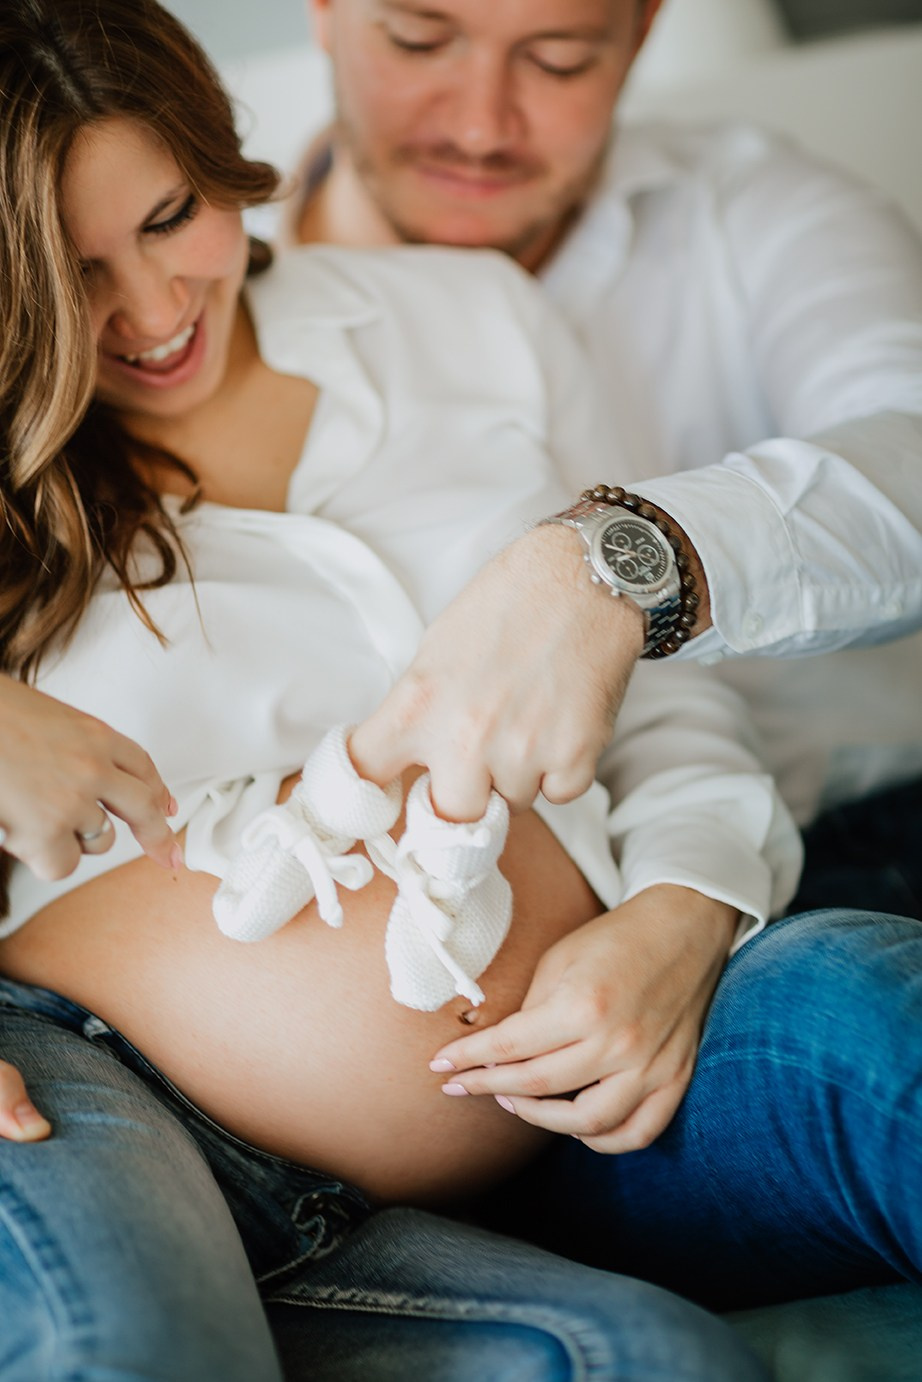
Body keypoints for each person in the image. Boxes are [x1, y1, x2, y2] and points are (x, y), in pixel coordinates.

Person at [0, 0, 794, 1375]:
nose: (149, 309)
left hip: (518, 1119)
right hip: (95, 1087)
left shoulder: (472, 319)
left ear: (219, 157)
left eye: (172, 215)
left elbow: (654, 681)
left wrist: (683, 901)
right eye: (70, 274)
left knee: (663, 1338)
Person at [278, 0, 922, 1317]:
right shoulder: (166, 288)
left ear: (638, 32)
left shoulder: (750, 210)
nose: (477, 117)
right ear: (327, 12)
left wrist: (626, 559)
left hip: (845, 825)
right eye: (418, 42)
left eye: (558, 58)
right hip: (504, 1023)